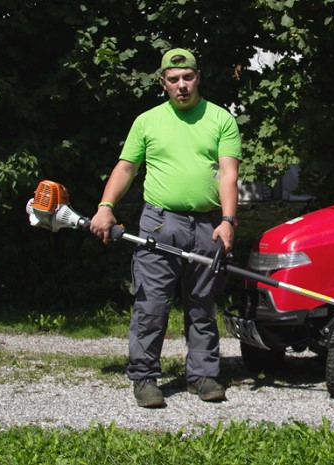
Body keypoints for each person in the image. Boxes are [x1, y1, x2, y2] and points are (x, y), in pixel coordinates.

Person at [90, 48, 242, 407]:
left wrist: (228, 220)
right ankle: (145, 377)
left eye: (187, 77)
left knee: (203, 305)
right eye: (173, 80)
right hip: (159, 224)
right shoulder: (147, 121)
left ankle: (203, 375)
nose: (182, 85)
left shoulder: (221, 119)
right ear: (163, 83)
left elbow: (228, 173)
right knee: (151, 305)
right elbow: (126, 168)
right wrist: (105, 207)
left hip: (208, 225)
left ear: (198, 77)